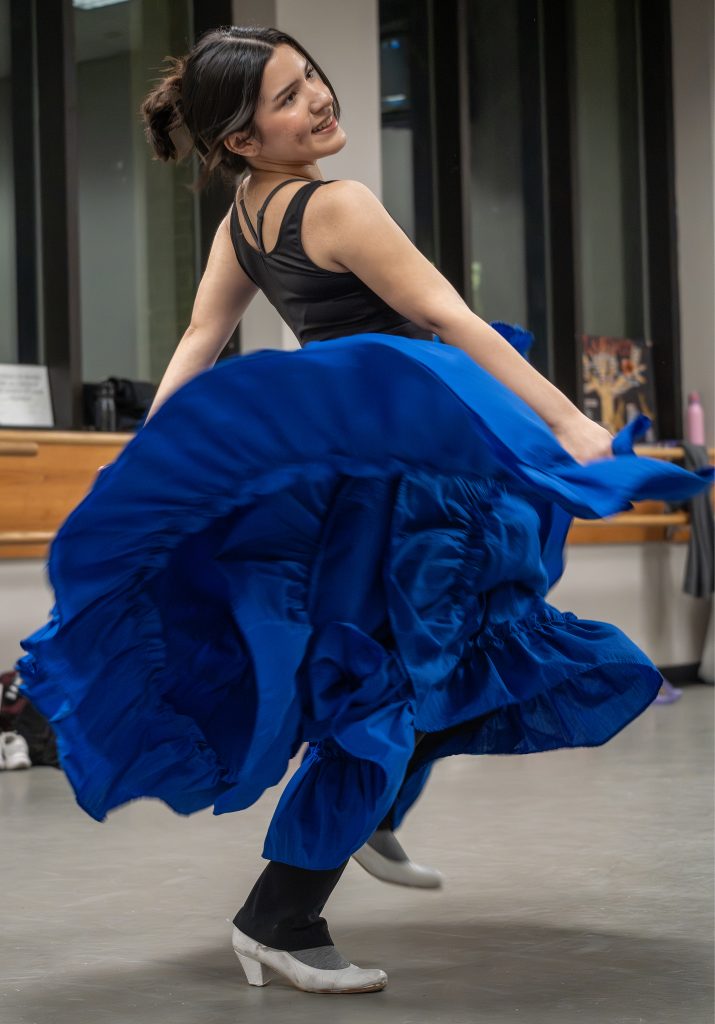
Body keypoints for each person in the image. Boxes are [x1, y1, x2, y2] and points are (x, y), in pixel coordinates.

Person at [18, 26, 713, 997]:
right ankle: (282, 915)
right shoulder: (336, 204)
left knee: (425, 660)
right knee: (402, 677)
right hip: (405, 468)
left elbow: (198, 337)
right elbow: (449, 318)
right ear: (243, 140)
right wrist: (571, 425)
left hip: (362, 471)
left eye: (313, 78)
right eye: (289, 97)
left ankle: (371, 813)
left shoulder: (246, 219)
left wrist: (153, 454)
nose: (321, 100)